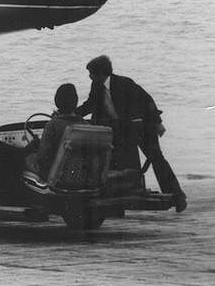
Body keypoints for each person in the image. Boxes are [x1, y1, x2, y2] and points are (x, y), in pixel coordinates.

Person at [77, 55, 187, 212]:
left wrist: (158, 122)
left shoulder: (124, 83)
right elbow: (89, 105)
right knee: (124, 161)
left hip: (143, 126)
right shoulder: (96, 87)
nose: (89, 77)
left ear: (100, 74)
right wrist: (72, 113)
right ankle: (126, 196)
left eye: (91, 74)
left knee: (156, 158)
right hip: (124, 130)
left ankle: (178, 197)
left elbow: (147, 100)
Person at [25, 83, 84, 180]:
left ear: (57, 102)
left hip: (56, 177)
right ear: (76, 101)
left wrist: (35, 147)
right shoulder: (86, 126)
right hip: (79, 177)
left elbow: (43, 158)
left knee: (28, 159)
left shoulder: (52, 125)